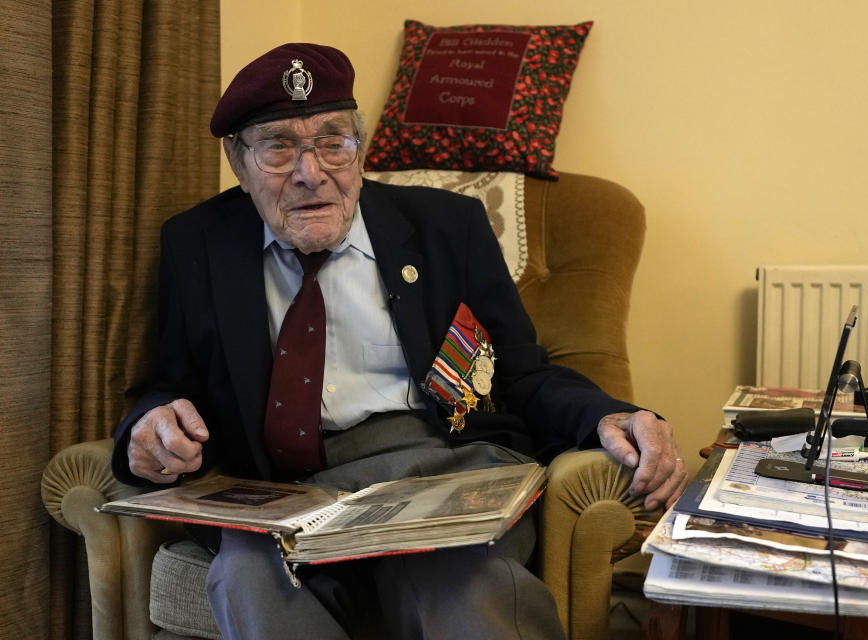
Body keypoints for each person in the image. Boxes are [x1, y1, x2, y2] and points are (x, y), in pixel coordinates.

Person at [112, 42, 687, 640]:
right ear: (239, 160)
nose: (311, 173)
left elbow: (521, 372)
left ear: (360, 150)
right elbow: (171, 383)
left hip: (443, 470)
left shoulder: (447, 227)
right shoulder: (197, 243)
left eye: (332, 141)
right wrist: (150, 428)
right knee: (245, 577)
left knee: (456, 580)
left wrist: (609, 414)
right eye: (279, 147)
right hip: (288, 494)